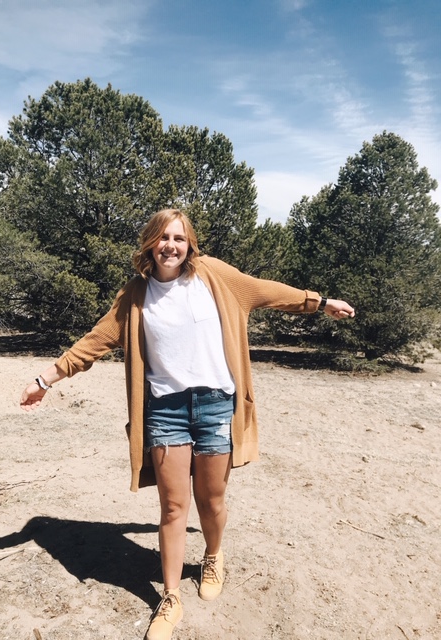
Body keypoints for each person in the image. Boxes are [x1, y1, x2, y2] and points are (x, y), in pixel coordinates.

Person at [20, 208, 355, 640]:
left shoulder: (213, 276)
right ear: (150, 245)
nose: (170, 246)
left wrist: (320, 302)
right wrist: (44, 380)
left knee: (211, 500)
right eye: (162, 238)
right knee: (174, 507)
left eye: (179, 238)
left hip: (216, 406)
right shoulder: (136, 294)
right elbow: (94, 341)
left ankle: (213, 555)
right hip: (165, 410)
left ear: (189, 243)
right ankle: (171, 596)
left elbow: (266, 291)